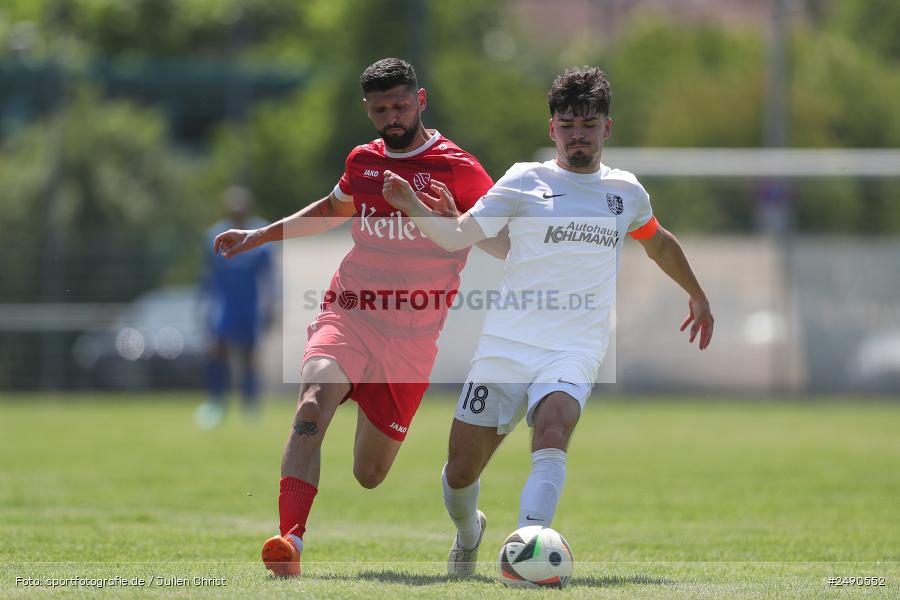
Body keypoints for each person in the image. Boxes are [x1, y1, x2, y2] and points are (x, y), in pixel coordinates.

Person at [381, 66, 715, 578]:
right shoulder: (522, 180)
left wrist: (695, 293)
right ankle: (469, 531)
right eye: (567, 123)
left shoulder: (626, 192)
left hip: (575, 348)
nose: (577, 133)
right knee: (460, 472)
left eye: (589, 122)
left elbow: (658, 241)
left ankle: (527, 553)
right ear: (551, 128)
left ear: (608, 127)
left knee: (555, 425)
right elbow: (458, 237)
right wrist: (411, 206)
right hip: (507, 345)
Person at [212, 58, 509, 577]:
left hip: (411, 339)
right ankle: (290, 543)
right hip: (349, 314)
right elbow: (330, 210)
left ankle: (470, 525)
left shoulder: (459, 168)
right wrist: (258, 237)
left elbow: (505, 245)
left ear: (420, 100)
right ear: (367, 109)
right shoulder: (363, 162)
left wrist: (450, 220)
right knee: (310, 406)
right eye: (379, 109)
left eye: (399, 105)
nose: (391, 117)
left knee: (369, 474)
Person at [196, 186, 275, 429]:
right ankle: (216, 403)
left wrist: (271, 305)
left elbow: (270, 277)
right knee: (218, 353)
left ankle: (250, 405)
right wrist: (202, 306)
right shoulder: (214, 235)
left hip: (249, 307)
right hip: (223, 306)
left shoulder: (261, 234)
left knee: (250, 357)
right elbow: (206, 275)